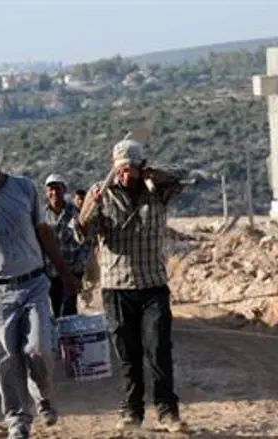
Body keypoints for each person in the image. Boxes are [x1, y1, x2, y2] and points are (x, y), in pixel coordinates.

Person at [0, 136, 79, 439]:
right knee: (4, 357)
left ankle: (44, 397)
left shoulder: (24, 187)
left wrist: (64, 272)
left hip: (34, 281)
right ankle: (17, 421)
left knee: (39, 348)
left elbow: (43, 232)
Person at [73, 138, 188, 433]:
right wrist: (88, 209)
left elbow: (183, 178)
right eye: (120, 170)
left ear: (140, 168)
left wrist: (154, 176)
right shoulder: (103, 194)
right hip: (117, 286)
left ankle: (167, 410)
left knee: (159, 348)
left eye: (130, 169)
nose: (125, 176)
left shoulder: (157, 192)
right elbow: (82, 235)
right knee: (128, 353)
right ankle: (131, 411)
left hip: (152, 284)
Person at [43, 173, 92, 317]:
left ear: (64, 191)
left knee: (68, 309)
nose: (54, 193)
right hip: (50, 273)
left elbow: (87, 243)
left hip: (71, 271)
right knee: (54, 310)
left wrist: (78, 269)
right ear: (46, 192)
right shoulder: (41, 215)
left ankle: (69, 338)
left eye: (57, 189)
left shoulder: (76, 213)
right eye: (50, 189)